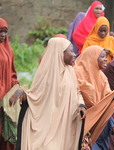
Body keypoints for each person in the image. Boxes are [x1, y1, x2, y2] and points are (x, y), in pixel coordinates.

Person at [13, 37, 86, 150]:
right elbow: (36, 96)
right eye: (71, 51)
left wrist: (81, 105)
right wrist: (24, 93)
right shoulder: (47, 73)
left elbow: (77, 92)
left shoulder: (70, 72)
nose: (74, 54)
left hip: (64, 126)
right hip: (47, 126)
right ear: (59, 53)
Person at [74, 45, 114, 148]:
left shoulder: (101, 77)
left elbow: (106, 100)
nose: (106, 59)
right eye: (102, 57)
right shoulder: (77, 73)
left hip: (99, 124)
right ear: (93, 57)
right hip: (81, 122)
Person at [0, 18, 19, 150]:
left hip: (6, 98)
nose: (2, 35)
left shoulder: (8, 49)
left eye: (5, 32)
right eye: (0, 31)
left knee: (7, 132)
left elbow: (12, 73)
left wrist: (17, 87)